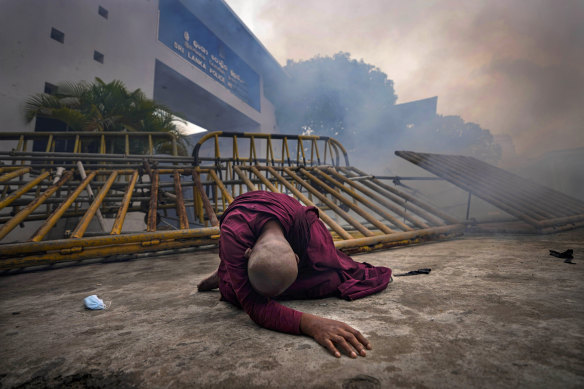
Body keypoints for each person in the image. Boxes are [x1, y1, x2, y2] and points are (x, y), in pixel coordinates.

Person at [197, 191, 392, 358]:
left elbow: (333, 260)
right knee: (240, 298)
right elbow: (255, 306)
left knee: (331, 278)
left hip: (267, 253)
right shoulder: (234, 234)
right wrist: (311, 324)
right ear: (247, 253)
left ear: (297, 259)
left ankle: (230, 273)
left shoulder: (309, 228)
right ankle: (228, 270)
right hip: (242, 251)